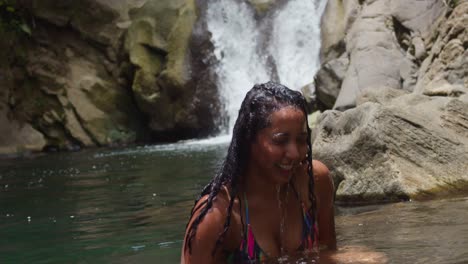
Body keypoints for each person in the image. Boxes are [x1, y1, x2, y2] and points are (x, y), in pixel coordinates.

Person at [181, 82, 337, 263]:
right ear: (249, 140)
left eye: (301, 140)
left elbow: (329, 255)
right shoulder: (218, 216)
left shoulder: (316, 182)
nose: (294, 153)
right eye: (280, 141)